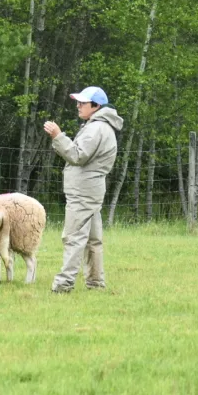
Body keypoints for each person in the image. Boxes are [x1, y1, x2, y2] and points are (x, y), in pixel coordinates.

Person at [43, 86, 124, 293]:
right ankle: (96, 283)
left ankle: (63, 284)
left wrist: (58, 136)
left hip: (83, 191)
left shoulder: (96, 128)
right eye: (78, 102)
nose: (78, 106)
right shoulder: (100, 126)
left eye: (83, 103)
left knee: (73, 237)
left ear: (96, 106)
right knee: (92, 240)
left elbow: (78, 156)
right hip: (91, 190)